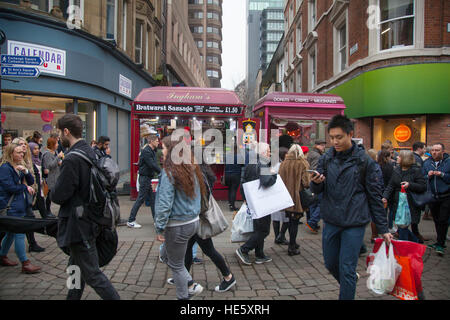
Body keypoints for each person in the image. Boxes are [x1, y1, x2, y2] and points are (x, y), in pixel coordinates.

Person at [310, 115, 392, 300]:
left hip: (354, 222)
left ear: (350, 134)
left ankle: (347, 286)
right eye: (332, 137)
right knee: (330, 263)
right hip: (331, 219)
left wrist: (383, 228)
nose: (335, 141)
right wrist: (315, 183)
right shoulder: (326, 158)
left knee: (347, 267)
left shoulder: (365, 161)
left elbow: (374, 197)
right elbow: (317, 189)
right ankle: (349, 281)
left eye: (339, 137)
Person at [51, 114, 120, 300]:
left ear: (66, 131)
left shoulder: (72, 159)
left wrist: (54, 179)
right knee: (75, 269)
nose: (59, 137)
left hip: (78, 225)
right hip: (91, 220)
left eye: (59, 132)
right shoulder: (91, 152)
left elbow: (58, 195)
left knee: (92, 274)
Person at [155, 135, 206, 300]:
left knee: (176, 265)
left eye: (163, 147)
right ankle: (190, 285)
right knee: (170, 257)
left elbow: (164, 203)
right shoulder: (191, 168)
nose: (161, 150)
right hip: (192, 222)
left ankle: (185, 294)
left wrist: (160, 227)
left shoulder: (169, 172)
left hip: (177, 224)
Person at [0, 143, 41, 273]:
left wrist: (26, 171)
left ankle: (2, 256)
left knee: (11, 233)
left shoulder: (19, 166)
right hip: (10, 205)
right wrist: (24, 187)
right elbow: (9, 187)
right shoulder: (5, 168)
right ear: (11, 153)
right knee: (19, 234)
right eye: (18, 152)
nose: (21, 154)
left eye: (22, 152)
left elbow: (30, 181)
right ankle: (25, 262)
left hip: (18, 205)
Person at [235, 142, 277, 265]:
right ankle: (244, 249)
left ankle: (259, 254)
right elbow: (266, 182)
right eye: (268, 150)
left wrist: (245, 198)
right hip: (262, 201)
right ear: (263, 152)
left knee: (258, 228)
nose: (270, 153)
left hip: (252, 201)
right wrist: (273, 174)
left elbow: (243, 182)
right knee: (263, 230)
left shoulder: (251, 163)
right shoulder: (264, 164)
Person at [382, 150, 426, 243]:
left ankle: (403, 248)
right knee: (401, 226)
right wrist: (385, 196)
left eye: (399, 156)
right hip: (398, 203)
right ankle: (415, 242)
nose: (397, 157)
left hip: (410, 203)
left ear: (405, 159)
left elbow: (423, 186)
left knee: (402, 227)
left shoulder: (416, 170)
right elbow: (391, 185)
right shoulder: (396, 169)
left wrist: (410, 185)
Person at [279, 144, 311, 256]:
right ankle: (292, 246)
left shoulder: (283, 164)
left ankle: (292, 242)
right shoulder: (302, 163)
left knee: (290, 220)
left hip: (286, 197)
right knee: (295, 222)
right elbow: (306, 183)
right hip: (297, 197)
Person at [127, 129, 161, 228]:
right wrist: (161, 172)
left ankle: (156, 220)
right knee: (141, 199)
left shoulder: (150, 150)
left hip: (148, 178)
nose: (158, 142)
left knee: (152, 199)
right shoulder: (147, 151)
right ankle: (131, 220)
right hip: (145, 178)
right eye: (157, 141)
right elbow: (151, 164)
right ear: (151, 141)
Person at [423, 143, 450, 256]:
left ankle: (441, 243)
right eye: (433, 150)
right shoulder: (427, 163)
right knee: (437, 220)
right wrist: (427, 176)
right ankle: (439, 241)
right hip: (433, 196)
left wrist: (442, 174)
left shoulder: (448, 162)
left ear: (443, 151)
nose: (434, 152)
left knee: (443, 220)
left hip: (446, 196)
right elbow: (421, 177)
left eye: (437, 150)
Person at [306, 140, 326, 233]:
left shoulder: (311, 153)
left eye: (324, 145)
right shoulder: (317, 156)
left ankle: (311, 222)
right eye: (322, 145)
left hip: (312, 182)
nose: (323, 147)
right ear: (316, 146)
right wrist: (317, 179)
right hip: (316, 182)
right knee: (320, 204)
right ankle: (312, 222)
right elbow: (315, 169)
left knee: (313, 203)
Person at [42, 137, 63, 218]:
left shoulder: (54, 152)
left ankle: (48, 210)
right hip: (50, 178)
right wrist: (58, 157)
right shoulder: (47, 154)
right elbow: (50, 165)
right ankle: (47, 211)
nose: (58, 145)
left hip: (55, 176)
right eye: (56, 143)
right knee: (49, 195)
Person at [272, 147, 289, 245]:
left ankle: (277, 236)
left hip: (275, 193)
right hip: (282, 193)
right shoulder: (282, 165)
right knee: (286, 217)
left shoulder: (274, 165)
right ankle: (281, 236)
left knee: (276, 217)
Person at [378, 150, 395, 230]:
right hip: (389, 190)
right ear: (388, 157)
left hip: (380, 190)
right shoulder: (390, 166)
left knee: (383, 210)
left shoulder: (377, 165)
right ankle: (390, 226)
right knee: (390, 209)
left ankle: (383, 226)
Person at [224, 143, 243, 211]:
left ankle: (230, 204)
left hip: (227, 175)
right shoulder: (239, 156)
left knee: (229, 190)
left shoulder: (227, 156)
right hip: (236, 175)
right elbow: (242, 164)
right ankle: (232, 206)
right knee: (233, 190)